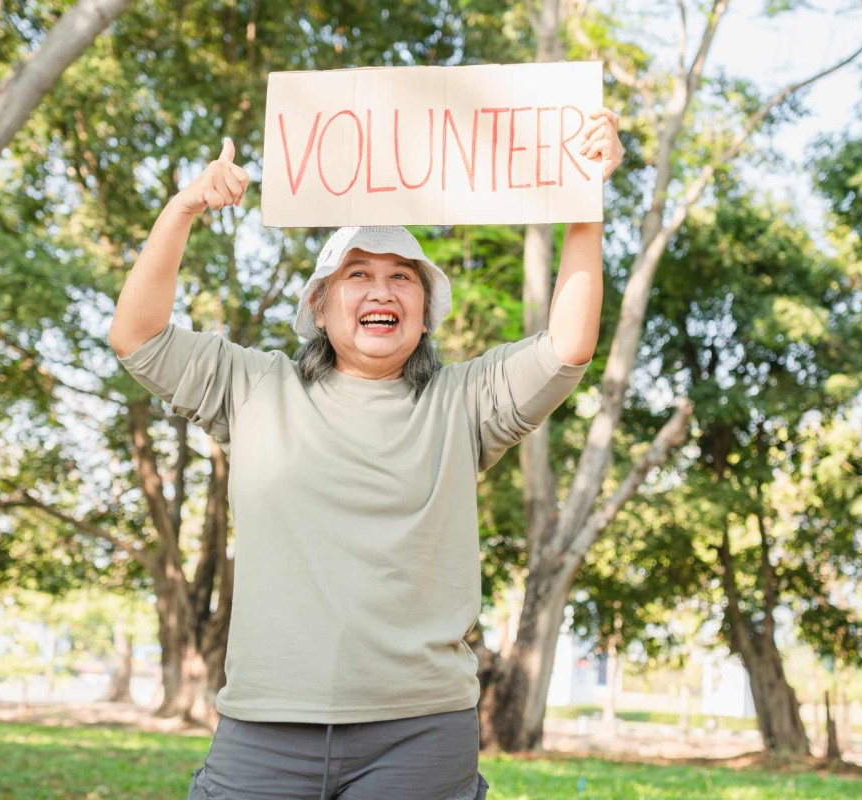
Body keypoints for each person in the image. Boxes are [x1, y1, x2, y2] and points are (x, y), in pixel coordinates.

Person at [107, 108, 623, 800]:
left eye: (402, 277)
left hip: (420, 733)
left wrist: (583, 197)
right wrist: (185, 207)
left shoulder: (462, 401)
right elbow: (136, 336)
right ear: (320, 306)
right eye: (357, 275)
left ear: (425, 308)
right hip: (264, 726)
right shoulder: (256, 387)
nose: (381, 290)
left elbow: (569, 344)